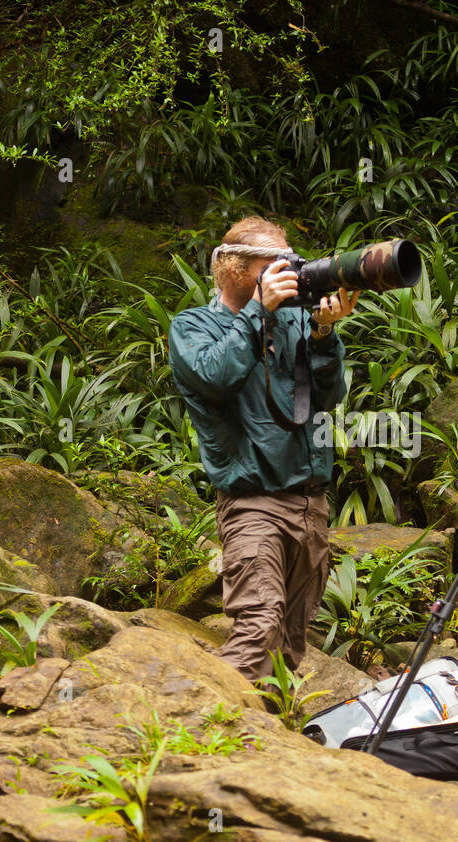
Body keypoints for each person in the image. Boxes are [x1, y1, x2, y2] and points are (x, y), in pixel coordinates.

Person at [168, 216, 357, 682]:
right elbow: (216, 376)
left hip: (310, 503)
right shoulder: (194, 326)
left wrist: (323, 334)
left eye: (292, 261)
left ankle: (265, 741)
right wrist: (258, 309)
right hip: (253, 501)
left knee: (290, 642)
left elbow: (328, 399)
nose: (289, 271)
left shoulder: (294, 321)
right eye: (275, 263)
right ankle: (199, 733)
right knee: (257, 623)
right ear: (234, 269)